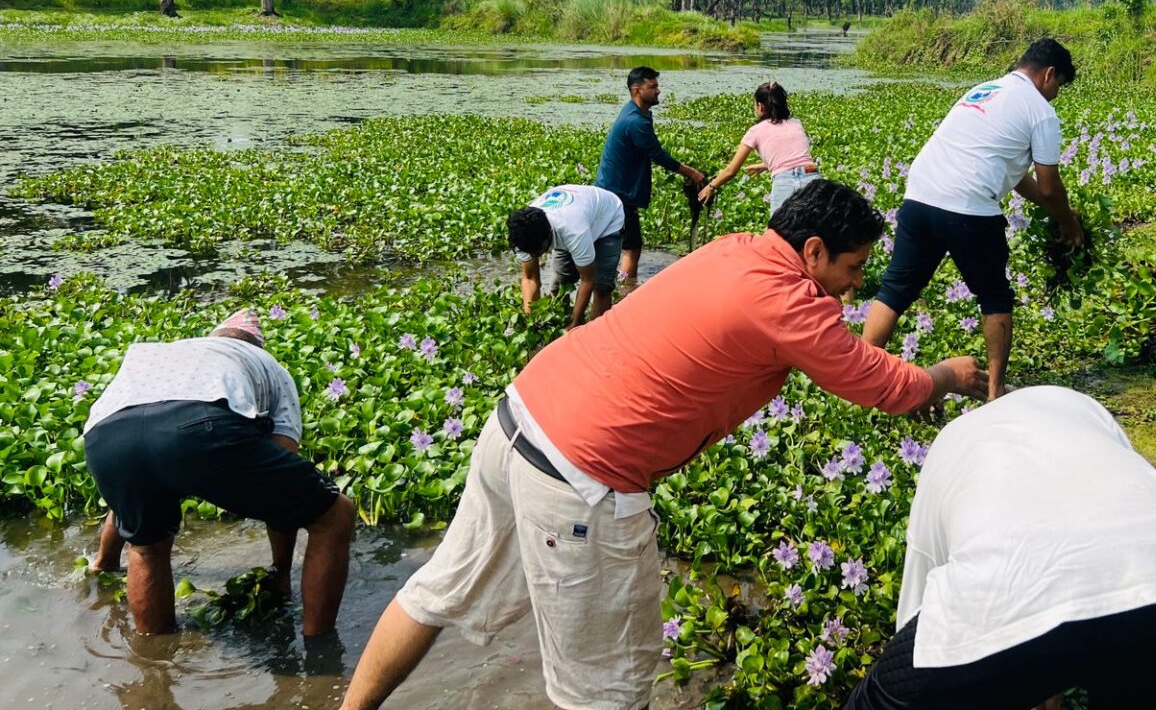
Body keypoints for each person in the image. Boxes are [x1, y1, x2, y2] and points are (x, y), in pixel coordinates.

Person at [340, 180, 986, 710]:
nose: (854, 288)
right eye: (851, 269)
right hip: (582, 477)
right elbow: (876, 382)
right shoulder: (788, 297)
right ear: (812, 251)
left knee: (437, 589)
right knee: (607, 689)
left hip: (517, 417)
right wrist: (945, 378)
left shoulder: (738, 248)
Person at [844, 386, 1156, 710]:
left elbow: (924, 611)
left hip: (1010, 585)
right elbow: (1090, 561)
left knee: (877, 700)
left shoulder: (951, 440)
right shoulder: (1081, 408)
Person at [83, 309, 354, 636]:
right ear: (257, 346)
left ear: (213, 338)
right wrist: (280, 573)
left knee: (147, 549)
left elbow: (136, 471)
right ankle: (319, 651)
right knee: (335, 514)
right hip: (198, 425)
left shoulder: (167, 351)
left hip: (106, 436)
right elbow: (283, 470)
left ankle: (153, 663)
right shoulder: (267, 364)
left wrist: (104, 562)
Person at [861, 38, 1083, 400]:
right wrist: (1068, 223)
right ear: (1049, 74)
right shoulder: (1040, 111)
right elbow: (1049, 185)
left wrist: (1053, 210)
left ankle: (863, 376)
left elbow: (1018, 177)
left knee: (896, 287)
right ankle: (995, 392)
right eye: (1059, 86)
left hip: (920, 194)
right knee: (995, 295)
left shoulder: (984, 90)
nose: (1056, 94)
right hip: (969, 206)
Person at [595, 66, 706, 283]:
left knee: (618, 243)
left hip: (615, 191)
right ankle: (626, 289)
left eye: (657, 86)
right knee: (632, 247)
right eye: (652, 86)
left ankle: (616, 282)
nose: (658, 91)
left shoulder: (637, 113)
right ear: (636, 90)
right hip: (618, 195)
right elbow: (657, 154)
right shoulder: (635, 121)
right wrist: (692, 173)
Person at [507, 183, 626, 328]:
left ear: (549, 236)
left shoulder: (573, 231)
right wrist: (530, 320)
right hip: (576, 214)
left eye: (537, 252)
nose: (533, 255)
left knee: (602, 287)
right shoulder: (522, 235)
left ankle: (596, 333)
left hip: (607, 219)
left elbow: (588, 279)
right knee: (559, 286)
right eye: (529, 252)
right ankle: (563, 321)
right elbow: (530, 279)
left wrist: (575, 324)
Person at [698, 80, 819, 214]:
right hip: (812, 177)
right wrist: (764, 165)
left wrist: (711, 186)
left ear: (760, 106)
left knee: (779, 232)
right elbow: (796, 159)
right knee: (816, 230)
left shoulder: (755, 131)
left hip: (785, 181)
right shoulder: (796, 123)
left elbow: (731, 171)